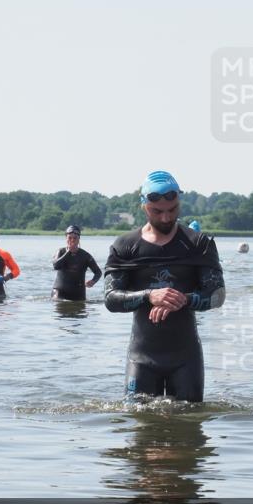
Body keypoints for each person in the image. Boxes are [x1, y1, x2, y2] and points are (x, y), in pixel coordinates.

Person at [104, 171, 226, 403]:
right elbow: (110, 299)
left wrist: (181, 299)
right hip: (141, 358)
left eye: (172, 209)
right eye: (157, 211)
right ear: (143, 206)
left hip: (185, 358)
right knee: (139, 430)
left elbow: (217, 295)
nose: (166, 218)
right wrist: (150, 295)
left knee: (188, 431)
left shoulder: (199, 243)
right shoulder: (126, 246)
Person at [52, 225, 101, 301]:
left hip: (78, 293)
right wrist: (68, 253)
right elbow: (56, 266)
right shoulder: (60, 251)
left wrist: (93, 281)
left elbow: (98, 272)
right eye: (70, 238)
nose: (72, 240)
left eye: (75, 238)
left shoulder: (85, 256)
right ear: (66, 238)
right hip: (60, 292)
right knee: (58, 303)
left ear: (79, 239)